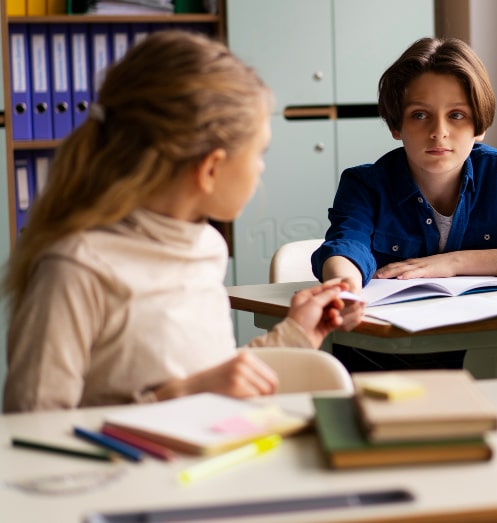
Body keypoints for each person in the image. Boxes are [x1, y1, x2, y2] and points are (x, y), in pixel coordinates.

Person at [3, 30, 363, 413]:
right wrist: (178, 396)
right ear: (210, 169)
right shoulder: (76, 268)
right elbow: (34, 431)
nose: (261, 168)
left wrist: (299, 331)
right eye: (259, 153)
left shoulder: (205, 245)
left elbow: (213, 379)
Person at [311, 37, 497, 370]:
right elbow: (347, 246)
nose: (438, 131)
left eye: (456, 115)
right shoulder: (365, 185)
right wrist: (343, 288)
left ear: (479, 126)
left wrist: (453, 262)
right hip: (382, 355)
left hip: (477, 351)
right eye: (419, 115)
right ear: (396, 126)